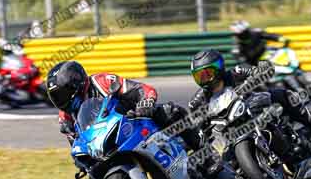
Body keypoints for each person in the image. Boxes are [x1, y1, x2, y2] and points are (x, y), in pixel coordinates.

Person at [187, 50, 311, 172]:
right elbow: (195, 122)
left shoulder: (235, 73)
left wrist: (259, 71)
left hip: (252, 106)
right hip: (229, 127)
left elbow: (257, 71)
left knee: (282, 94)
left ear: (219, 68)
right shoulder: (198, 100)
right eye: (199, 76)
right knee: (224, 162)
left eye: (207, 73)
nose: (204, 79)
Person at [45, 61, 202, 152]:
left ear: (76, 83)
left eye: (63, 93)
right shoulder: (65, 116)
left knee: (170, 112)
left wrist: (146, 101)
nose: (62, 100)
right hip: (106, 145)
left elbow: (142, 89)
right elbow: (76, 146)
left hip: (135, 120)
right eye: (57, 97)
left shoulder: (102, 81)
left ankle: (205, 154)